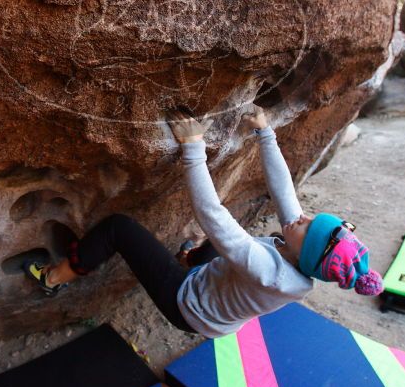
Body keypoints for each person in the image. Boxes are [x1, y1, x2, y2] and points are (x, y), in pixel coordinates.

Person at [24, 104, 383, 338]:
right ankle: (190, 259)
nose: (301, 217)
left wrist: (193, 147)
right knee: (222, 245)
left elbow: (213, 216)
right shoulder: (303, 254)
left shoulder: (269, 271)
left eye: (306, 225)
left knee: (119, 228)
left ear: (308, 256)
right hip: (221, 292)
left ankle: (54, 277)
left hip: (188, 306)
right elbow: (285, 193)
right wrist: (265, 132)